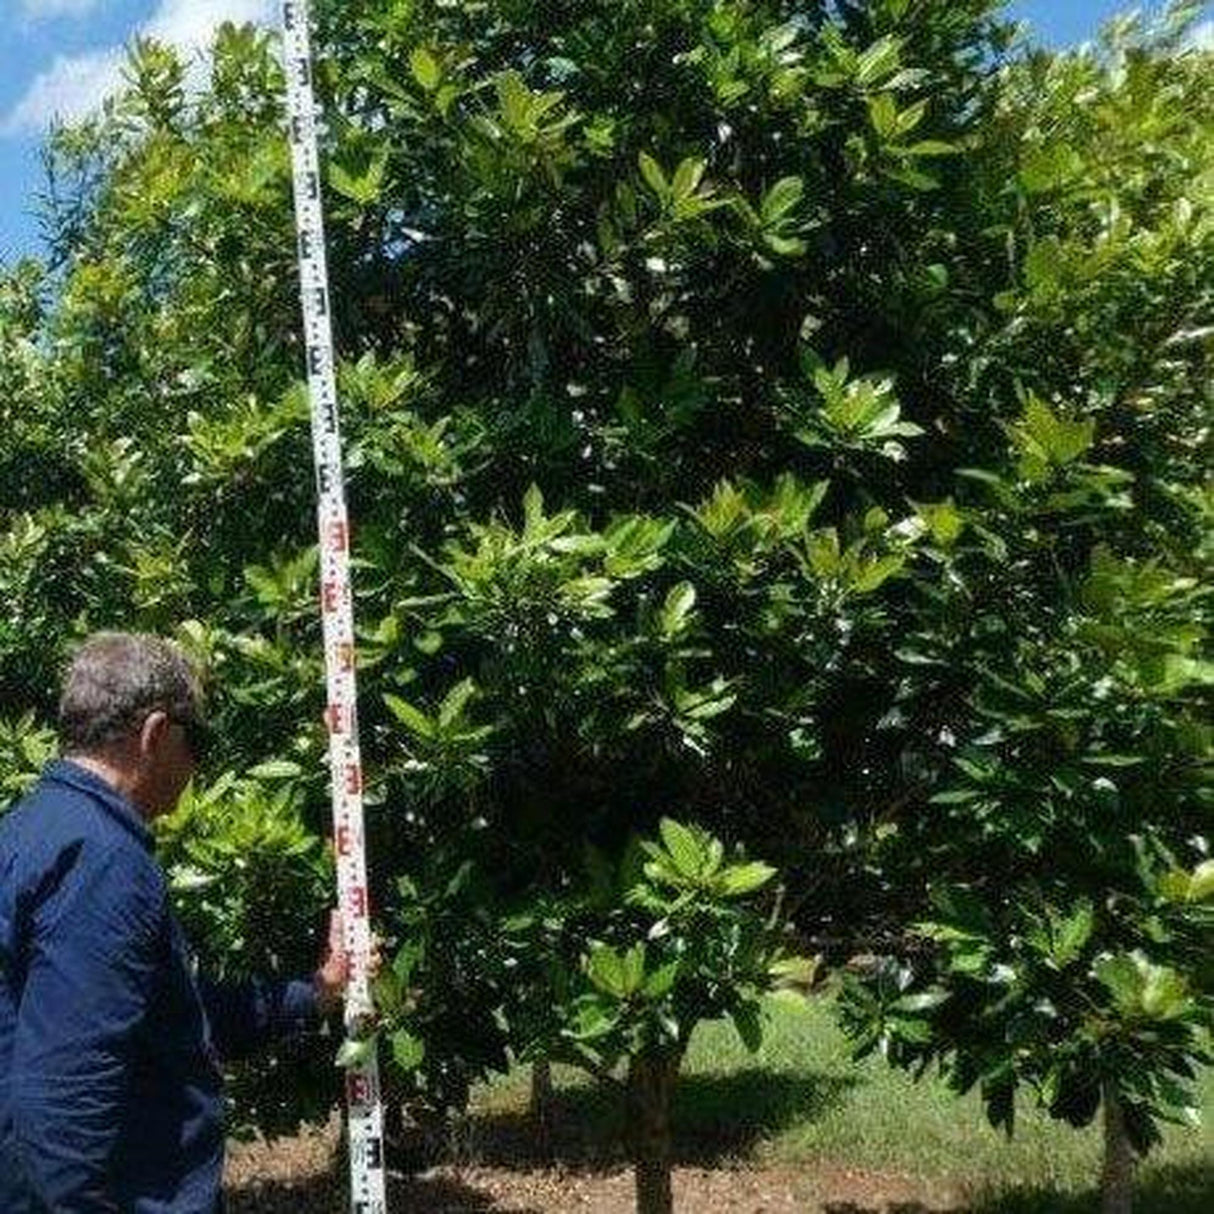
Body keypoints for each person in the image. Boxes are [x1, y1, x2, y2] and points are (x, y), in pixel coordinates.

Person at [0, 632, 351, 1213]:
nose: (195, 766)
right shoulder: (102, 861)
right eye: (198, 742)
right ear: (155, 734)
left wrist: (313, 994)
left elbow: (158, 1017)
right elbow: (63, 1099)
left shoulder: (32, 832)